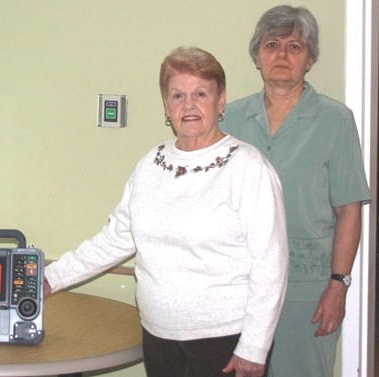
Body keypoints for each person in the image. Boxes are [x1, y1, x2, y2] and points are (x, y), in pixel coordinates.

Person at [44, 46, 289, 377]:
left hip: (225, 342)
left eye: (200, 93)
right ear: (166, 106)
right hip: (158, 337)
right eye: (177, 95)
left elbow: (270, 264)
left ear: (220, 102)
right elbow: (116, 238)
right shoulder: (150, 165)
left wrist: (254, 348)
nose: (188, 105)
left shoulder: (247, 167)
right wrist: (49, 278)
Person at [221, 5, 371, 377]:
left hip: (308, 287)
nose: (282, 55)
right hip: (238, 284)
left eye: (295, 46)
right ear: (257, 56)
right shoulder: (229, 118)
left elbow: (349, 209)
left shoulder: (336, 120)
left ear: (310, 59)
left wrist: (339, 285)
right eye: (272, 44)